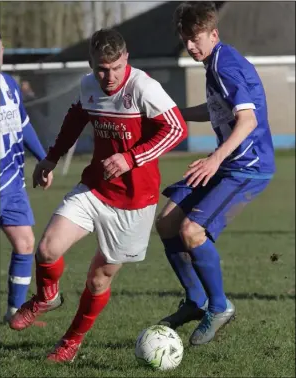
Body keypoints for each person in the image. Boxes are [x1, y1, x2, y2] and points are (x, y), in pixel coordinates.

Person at [9, 28, 188, 362]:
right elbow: (76, 118)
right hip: (95, 188)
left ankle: (71, 341)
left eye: (115, 68)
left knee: (98, 278)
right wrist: (50, 158)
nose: (108, 76)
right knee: (47, 248)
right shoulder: (88, 84)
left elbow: (177, 128)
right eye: (101, 69)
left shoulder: (144, 89)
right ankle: (47, 296)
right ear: (92, 64)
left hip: (135, 202)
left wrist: (129, 158)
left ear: (126, 60)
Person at [156, 1, 275, 346]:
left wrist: (214, 158)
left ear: (213, 34)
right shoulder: (214, 63)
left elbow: (248, 120)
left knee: (192, 231)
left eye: (196, 39)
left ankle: (219, 307)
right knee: (167, 223)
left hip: (247, 168)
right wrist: (173, 116)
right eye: (185, 39)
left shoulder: (226, 66)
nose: (191, 46)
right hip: (228, 163)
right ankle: (196, 300)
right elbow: (214, 110)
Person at [0, 36, 53, 323]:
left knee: (24, 242)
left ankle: (14, 312)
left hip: (13, 179)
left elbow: (23, 124)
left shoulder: (8, 84)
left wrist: (44, 159)